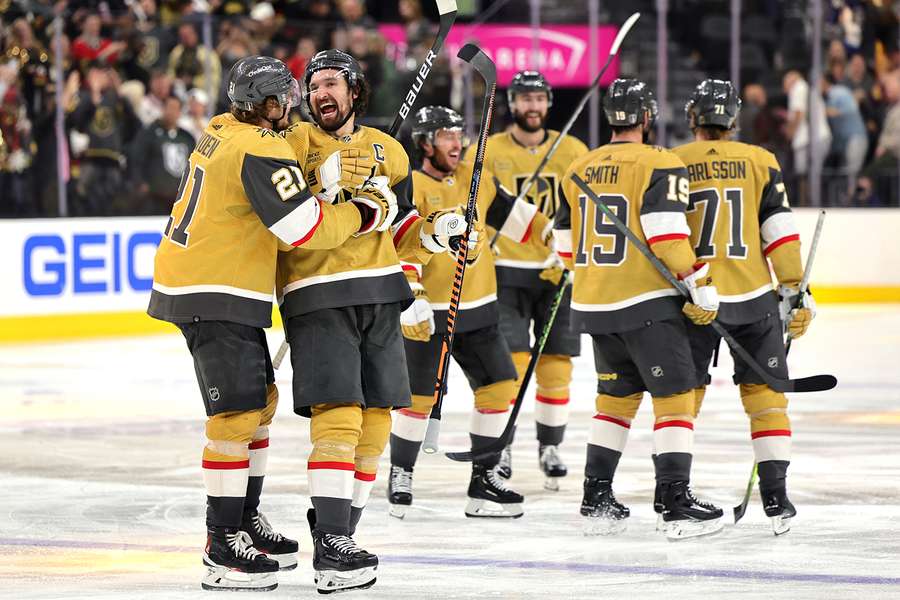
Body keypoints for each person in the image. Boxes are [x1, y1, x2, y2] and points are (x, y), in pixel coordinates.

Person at [148, 55, 395, 591]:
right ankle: (222, 543)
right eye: (285, 98)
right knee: (236, 415)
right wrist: (365, 211)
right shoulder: (259, 146)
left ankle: (244, 522)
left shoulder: (222, 130)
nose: (294, 108)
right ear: (267, 104)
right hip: (214, 290)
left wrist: (323, 182)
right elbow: (304, 229)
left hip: (215, 286)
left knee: (260, 403)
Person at [277, 50, 469, 594]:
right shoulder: (291, 143)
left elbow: (403, 227)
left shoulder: (389, 151)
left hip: (382, 295)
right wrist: (323, 186)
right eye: (312, 87)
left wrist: (437, 232)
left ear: (355, 91)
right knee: (339, 417)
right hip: (316, 296)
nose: (320, 94)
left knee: (379, 421)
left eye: (332, 83)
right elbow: (280, 218)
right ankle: (335, 544)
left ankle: (338, 532)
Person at [554, 78, 723, 539]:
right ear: (647, 118)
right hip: (646, 302)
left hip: (593, 303)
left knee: (615, 400)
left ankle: (596, 495)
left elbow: (563, 245)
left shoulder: (578, 166)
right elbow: (667, 232)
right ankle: (674, 499)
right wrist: (698, 282)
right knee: (675, 398)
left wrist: (592, 277)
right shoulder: (660, 162)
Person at [388, 106, 552, 519]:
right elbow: (401, 248)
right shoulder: (411, 185)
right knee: (418, 398)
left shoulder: (474, 181)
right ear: (425, 143)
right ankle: (401, 471)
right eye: (445, 135)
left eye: (459, 133)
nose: (456, 142)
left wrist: (560, 239)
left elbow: (518, 220)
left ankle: (484, 481)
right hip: (430, 313)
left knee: (499, 386)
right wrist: (414, 296)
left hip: (479, 310)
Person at [674, 79, 814, 535]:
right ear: (733, 120)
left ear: (694, 118)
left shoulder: (670, 160)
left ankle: (676, 493)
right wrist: (795, 290)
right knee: (767, 402)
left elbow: (662, 235)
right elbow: (780, 232)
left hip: (693, 297)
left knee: (682, 402)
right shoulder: (760, 161)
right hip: (753, 297)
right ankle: (777, 498)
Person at [474, 71, 588, 490]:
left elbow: (584, 209)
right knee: (512, 365)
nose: (533, 106)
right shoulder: (487, 150)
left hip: (558, 271)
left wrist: (574, 251)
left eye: (540, 99)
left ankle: (550, 446)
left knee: (557, 365)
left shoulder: (572, 149)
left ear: (549, 102)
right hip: (503, 273)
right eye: (525, 99)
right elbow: (475, 204)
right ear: (512, 103)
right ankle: (502, 445)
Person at [130, 94, 195, 215]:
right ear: (163, 109)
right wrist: (140, 183)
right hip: (153, 200)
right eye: (169, 107)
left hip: (180, 201)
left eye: (176, 108)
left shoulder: (187, 138)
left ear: (180, 112)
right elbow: (136, 158)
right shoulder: (150, 133)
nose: (172, 112)